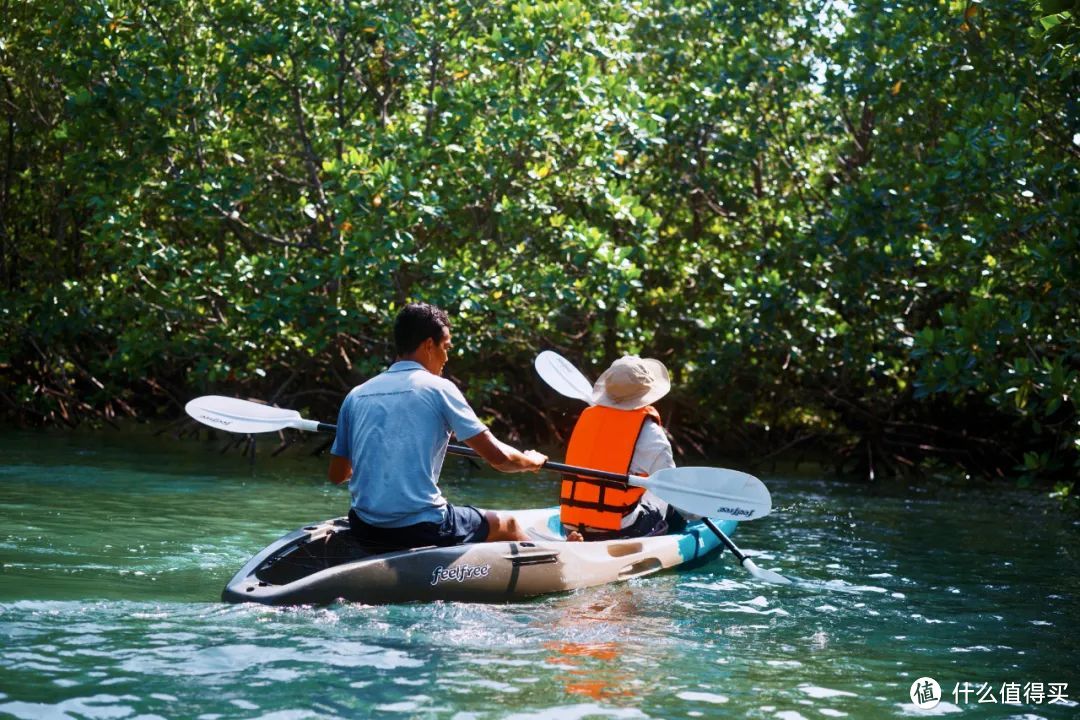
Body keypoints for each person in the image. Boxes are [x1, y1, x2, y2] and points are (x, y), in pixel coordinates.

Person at [328, 302, 547, 548]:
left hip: (365, 527)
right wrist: (531, 461)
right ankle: (558, 561)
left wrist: (381, 465)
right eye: (446, 347)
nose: (446, 357)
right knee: (508, 524)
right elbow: (499, 459)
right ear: (429, 345)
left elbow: (337, 475)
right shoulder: (439, 389)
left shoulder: (356, 395)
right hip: (422, 528)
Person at [559, 355, 688, 541]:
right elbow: (671, 490)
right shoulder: (652, 435)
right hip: (618, 530)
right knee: (672, 508)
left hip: (569, 526)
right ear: (648, 393)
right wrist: (694, 513)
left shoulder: (587, 417)